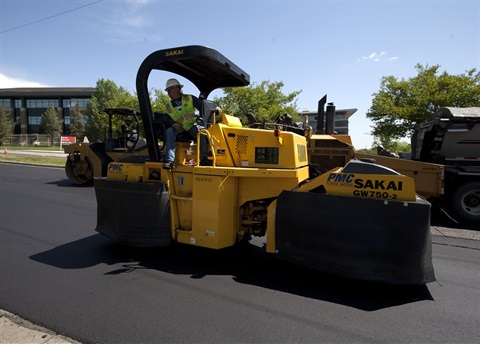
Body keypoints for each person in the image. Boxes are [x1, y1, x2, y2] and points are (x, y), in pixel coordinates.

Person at [163, 78, 202, 169]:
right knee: (169, 131)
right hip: (178, 128)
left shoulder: (189, 98)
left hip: (191, 126)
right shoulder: (168, 106)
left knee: (202, 134)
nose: (168, 93)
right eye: (167, 91)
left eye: (169, 90)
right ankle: (170, 160)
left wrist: (214, 109)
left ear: (176, 89)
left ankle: (204, 157)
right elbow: (167, 118)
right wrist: (173, 124)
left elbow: (203, 106)